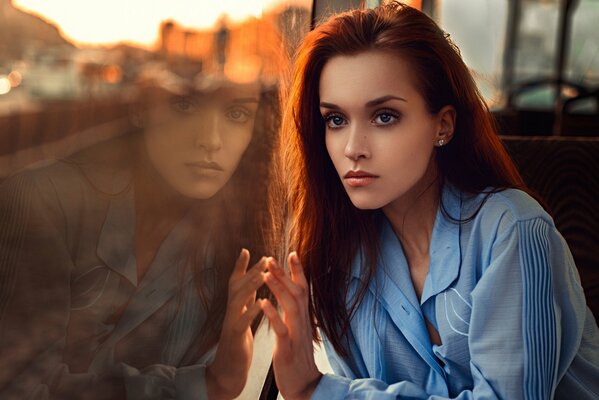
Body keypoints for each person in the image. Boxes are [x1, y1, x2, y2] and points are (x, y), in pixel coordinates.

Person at [260, 2, 599, 399]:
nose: (353, 148)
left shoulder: (513, 230)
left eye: (384, 116)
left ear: (443, 125)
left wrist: (318, 390)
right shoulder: (335, 255)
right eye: (336, 119)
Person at [0, 75, 278, 399]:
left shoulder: (240, 244)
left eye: (237, 114)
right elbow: (20, 387)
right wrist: (209, 384)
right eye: (184, 105)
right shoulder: (43, 199)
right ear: (142, 106)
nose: (210, 140)